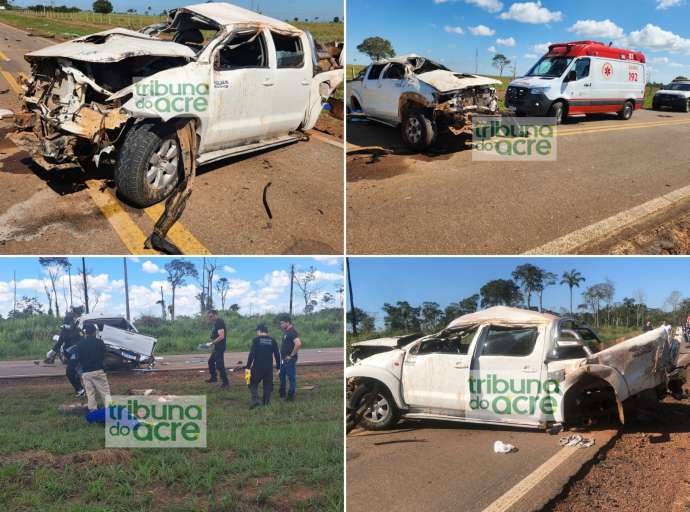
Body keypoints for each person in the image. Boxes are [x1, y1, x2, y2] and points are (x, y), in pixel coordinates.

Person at [76, 323, 111, 412]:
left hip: (86, 373)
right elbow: (105, 355)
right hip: (99, 371)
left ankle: (93, 411)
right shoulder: (100, 342)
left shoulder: (80, 344)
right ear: (94, 332)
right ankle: (109, 410)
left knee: (90, 393)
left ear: (85, 333)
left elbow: (78, 358)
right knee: (105, 392)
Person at [47, 313, 84, 397]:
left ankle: (80, 390)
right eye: (66, 323)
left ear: (73, 322)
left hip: (77, 354)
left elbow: (83, 341)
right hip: (68, 354)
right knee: (74, 372)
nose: (68, 325)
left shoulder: (78, 330)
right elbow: (59, 342)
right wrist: (52, 351)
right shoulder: (63, 330)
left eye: (69, 323)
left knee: (69, 372)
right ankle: (80, 389)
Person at [246, 324, 280, 409]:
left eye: (257, 331)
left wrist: (248, 367)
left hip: (257, 367)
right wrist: (278, 367)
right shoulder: (273, 340)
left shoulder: (256, 340)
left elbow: (252, 354)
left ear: (260, 331)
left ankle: (256, 400)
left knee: (252, 383)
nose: (257, 333)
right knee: (267, 385)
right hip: (268, 368)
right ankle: (266, 402)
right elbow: (277, 355)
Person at [277, 314, 302, 401]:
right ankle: (282, 395)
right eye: (280, 323)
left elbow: (298, 344)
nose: (281, 325)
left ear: (288, 322)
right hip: (284, 360)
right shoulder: (287, 331)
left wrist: (291, 356)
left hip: (289, 360)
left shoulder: (292, 332)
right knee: (282, 376)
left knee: (291, 378)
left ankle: (290, 397)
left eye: (282, 323)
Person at [206, 310, 229, 388]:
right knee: (211, 362)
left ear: (216, 315)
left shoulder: (219, 322)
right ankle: (214, 378)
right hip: (217, 346)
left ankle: (225, 383)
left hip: (220, 347)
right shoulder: (216, 323)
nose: (210, 318)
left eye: (211, 316)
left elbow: (221, 336)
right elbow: (217, 335)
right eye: (209, 317)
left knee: (220, 365)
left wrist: (212, 343)